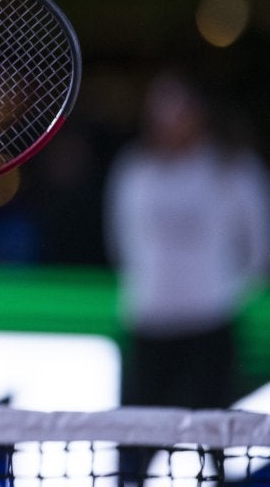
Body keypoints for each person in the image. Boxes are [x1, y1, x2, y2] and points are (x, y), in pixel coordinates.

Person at [104, 67, 270, 483]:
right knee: (137, 449)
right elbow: (121, 242)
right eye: (159, 109)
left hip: (209, 331)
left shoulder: (235, 169)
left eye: (178, 107)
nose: (167, 119)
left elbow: (259, 249)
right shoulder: (133, 170)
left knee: (214, 449)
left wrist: (222, 296)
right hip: (149, 328)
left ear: (199, 112)